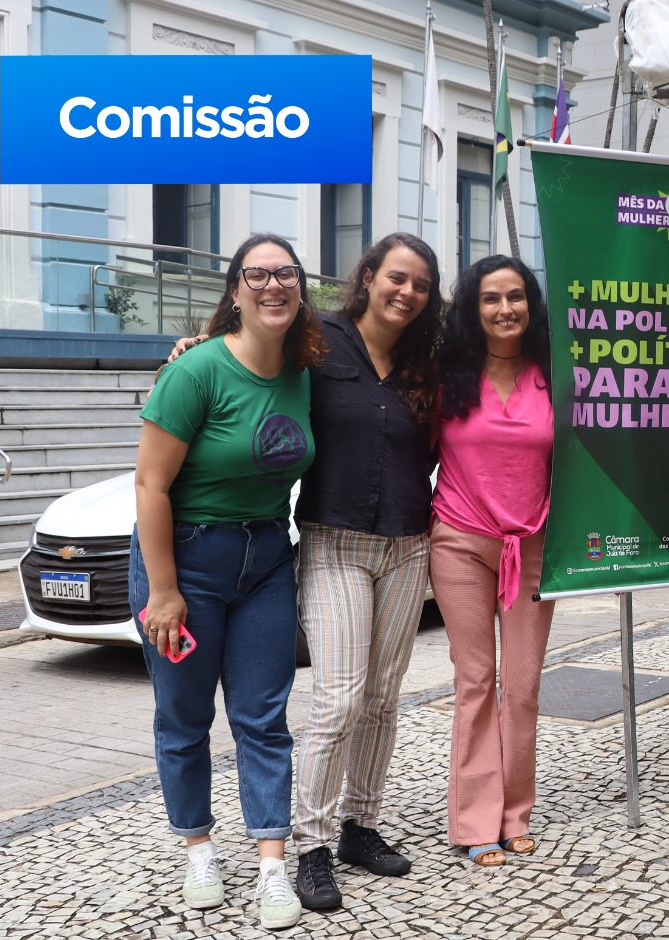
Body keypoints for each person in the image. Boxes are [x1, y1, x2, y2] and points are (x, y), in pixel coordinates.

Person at [130, 233, 325, 930]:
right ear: (236, 289)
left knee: (263, 718)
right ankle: (198, 848)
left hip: (267, 558)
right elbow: (150, 484)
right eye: (258, 274)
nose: (273, 285)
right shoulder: (197, 371)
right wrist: (163, 590)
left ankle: (272, 865)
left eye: (286, 274)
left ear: (301, 288)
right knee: (184, 717)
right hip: (187, 562)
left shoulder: (307, 367)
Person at [288, 234, 443, 910]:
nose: (407, 292)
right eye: (397, 278)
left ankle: (360, 825)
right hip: (335, 541)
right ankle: (311, 844)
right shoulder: (318, 340)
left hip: (408, 543)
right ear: (370, 276)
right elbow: (243, 352)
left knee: (384, 695)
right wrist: (187, 349)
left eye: (421, 285)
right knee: (340, 698)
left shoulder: (425, 364)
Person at [430, 255, 555, 867]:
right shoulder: (447, 376)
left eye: (515, 296)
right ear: (472, 309)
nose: (504, 308)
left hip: (532, 545)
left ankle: (515, 813)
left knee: (524, 685)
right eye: (490, 298)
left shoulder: (555, 373)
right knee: (476, 681)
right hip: (459, 540)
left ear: (531, 304)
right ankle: (475, 819)